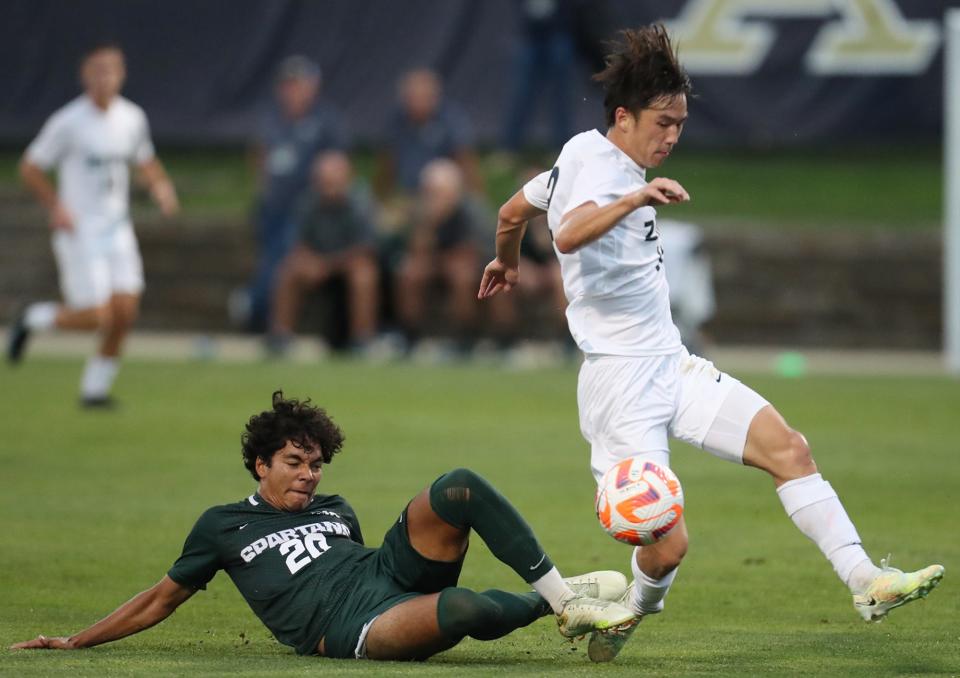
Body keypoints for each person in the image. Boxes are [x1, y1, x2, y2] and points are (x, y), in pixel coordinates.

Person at [479, 24, 944, 661]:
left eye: (681, 123)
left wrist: (504, 261)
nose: (673, 135)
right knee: (668, 546)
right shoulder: (594, 162)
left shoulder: (584, 161)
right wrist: (635, 196)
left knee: (790, 449)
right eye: (663, 122)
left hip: (671, 364)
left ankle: (866, 580)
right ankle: (631, 613)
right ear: (624, 117)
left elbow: (511, 213)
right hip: (619, 384)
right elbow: (568, 235)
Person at [10, 391, 635, 662]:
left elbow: (366, 560)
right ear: (261, 464)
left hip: (384, 573)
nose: (308, 475)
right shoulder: (221, 526)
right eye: (293, 462)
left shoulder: (334, 508)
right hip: (345, 627)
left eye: (314, 463)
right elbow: (158, 599)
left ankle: (564, 598)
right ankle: (545, 600)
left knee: (458, 484)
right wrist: (75, 641)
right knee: (463, 611)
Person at [8, 43, 179, 407]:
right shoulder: (69, 122)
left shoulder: (132, 117)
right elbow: (30, 166)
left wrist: (162, 189)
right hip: (80, 231)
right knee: (94, 316)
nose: (104, 78)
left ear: (122, 74)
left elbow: (145, 160)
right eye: (96, 71)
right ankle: (32, 317)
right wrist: (56, 206)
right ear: (85, 76)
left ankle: (94, 390)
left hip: (117, 228)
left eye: (111, 70)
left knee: (124, 313)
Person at [244, 55, 349, 332]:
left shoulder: (326, 122)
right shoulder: (271, 120)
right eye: (288, 85)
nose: (293, 91)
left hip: (305, 211)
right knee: (269, 261)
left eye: (299, 84)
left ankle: (257, 314)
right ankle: (257, 312)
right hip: (273, 208)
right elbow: (260, 158)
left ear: (312, 86)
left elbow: (337, 169)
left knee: (281, 263)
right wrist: (262, 191)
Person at [267, 151, 380, 356]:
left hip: (346, 264)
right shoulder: (307, 202)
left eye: (334, 182)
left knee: (364, 274)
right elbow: (297, 243)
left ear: (348, 179)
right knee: (288, 270)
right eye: (324, 182)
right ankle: (280, 336)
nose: (329, 187)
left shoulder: (362, 203)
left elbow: (365, 248)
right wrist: (312, 261)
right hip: (316, 262)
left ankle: (363, 339)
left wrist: (328, 265)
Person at [394, 159, 488, 356]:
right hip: (434, 263)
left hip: (468, 266)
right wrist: (431, 222)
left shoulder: (471, 211)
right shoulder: (419, 212)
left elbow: (471, 253)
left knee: (460, 275)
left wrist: (441, 259)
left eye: (440, 192)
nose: (434, 198)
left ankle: (464, 339)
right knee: (409, 272)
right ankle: (411, 337)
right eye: (430, 193)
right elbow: (417, 250)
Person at [374, 68, 483, 202]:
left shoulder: (451, 122)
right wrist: (381, 201)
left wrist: (475, 199)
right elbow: (387, 167)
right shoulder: (396, 123)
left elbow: (467, 163)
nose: (418, 104)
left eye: (423, 97)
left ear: (435, 98)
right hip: (410, 195)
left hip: (447, 195)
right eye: (413, 98)